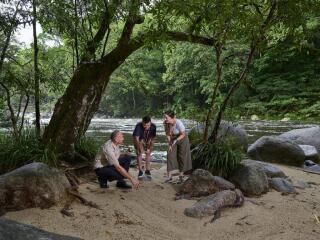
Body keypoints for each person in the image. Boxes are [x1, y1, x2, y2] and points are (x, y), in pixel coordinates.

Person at [163, 110, 192, 183]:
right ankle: (169, 176)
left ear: (171, 117)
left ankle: (181, 176)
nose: (165, 119)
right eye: (164, 117)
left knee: (181, 156)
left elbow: (183, 134)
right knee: (169, 154)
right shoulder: (166, 123)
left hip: (182, 138)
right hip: (173, 138)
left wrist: (176, 141)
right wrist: (170, 144)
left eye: (166, 117)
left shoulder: (179, 123)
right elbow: (168, 134)